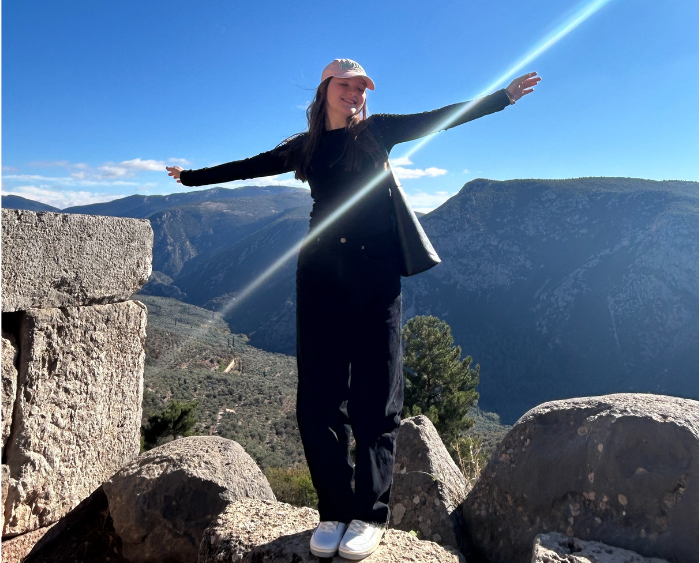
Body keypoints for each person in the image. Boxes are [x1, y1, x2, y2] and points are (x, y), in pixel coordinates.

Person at [166, 58, 539, 560]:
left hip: (375, 274)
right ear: (324, 91)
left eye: (361, 87)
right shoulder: (308, 148)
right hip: (319, 272)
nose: (356, 93)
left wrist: (504, 97)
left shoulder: (378, 133)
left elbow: (441, 117)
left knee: (375, 393)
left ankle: (369, 514)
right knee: (318, 395)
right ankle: (334, 510)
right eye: (346, 85)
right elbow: (247, 166)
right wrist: (189, 178)